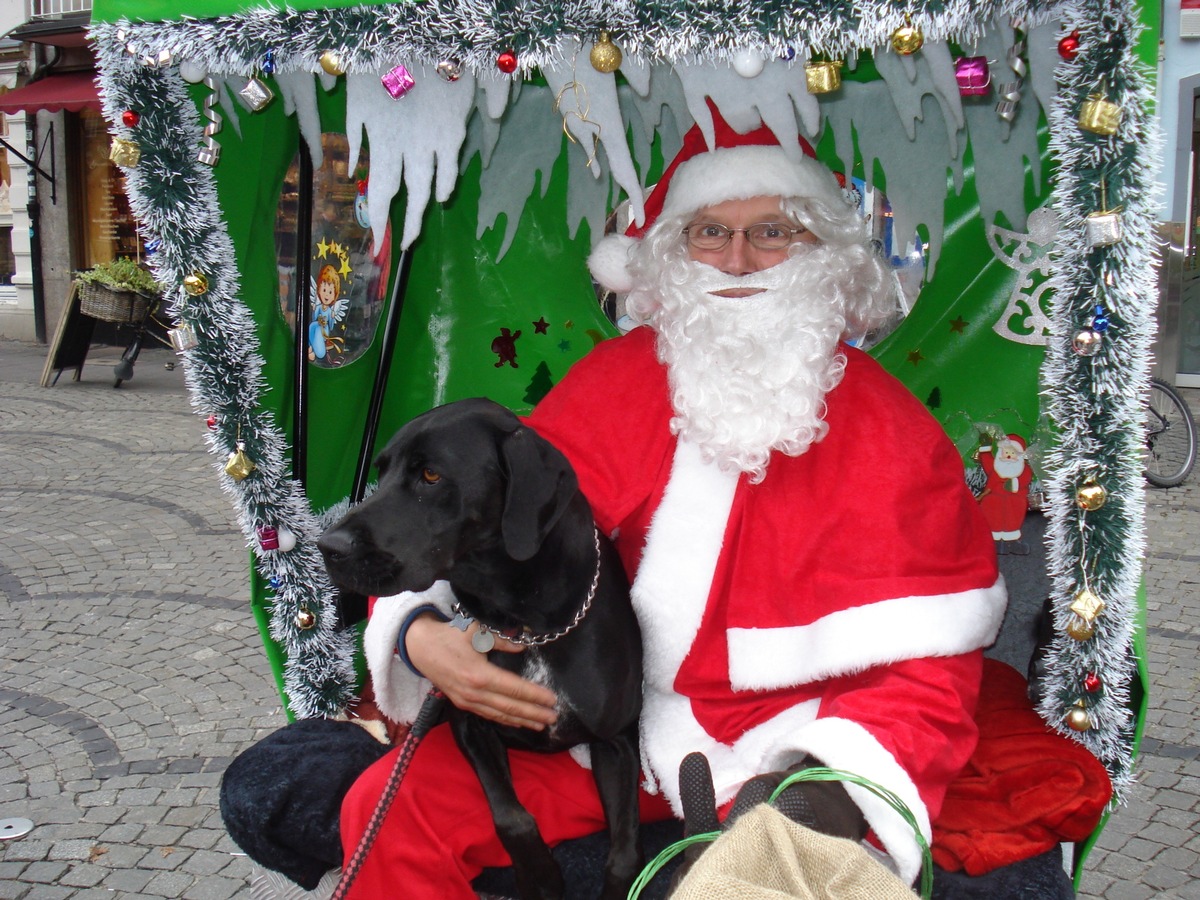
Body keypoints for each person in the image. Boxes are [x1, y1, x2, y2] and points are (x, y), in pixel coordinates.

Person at [335, 112, 1007, 897]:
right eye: (709, 233)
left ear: (824, 252)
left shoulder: (896, 433)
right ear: (672, 254)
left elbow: (933, 667)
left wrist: (825, 791)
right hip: (610, 733)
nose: (738, 259)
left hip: (796, 749)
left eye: (772, 232)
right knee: (389, 811)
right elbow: (475, 519)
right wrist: (420, 631)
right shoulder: (616, 383)